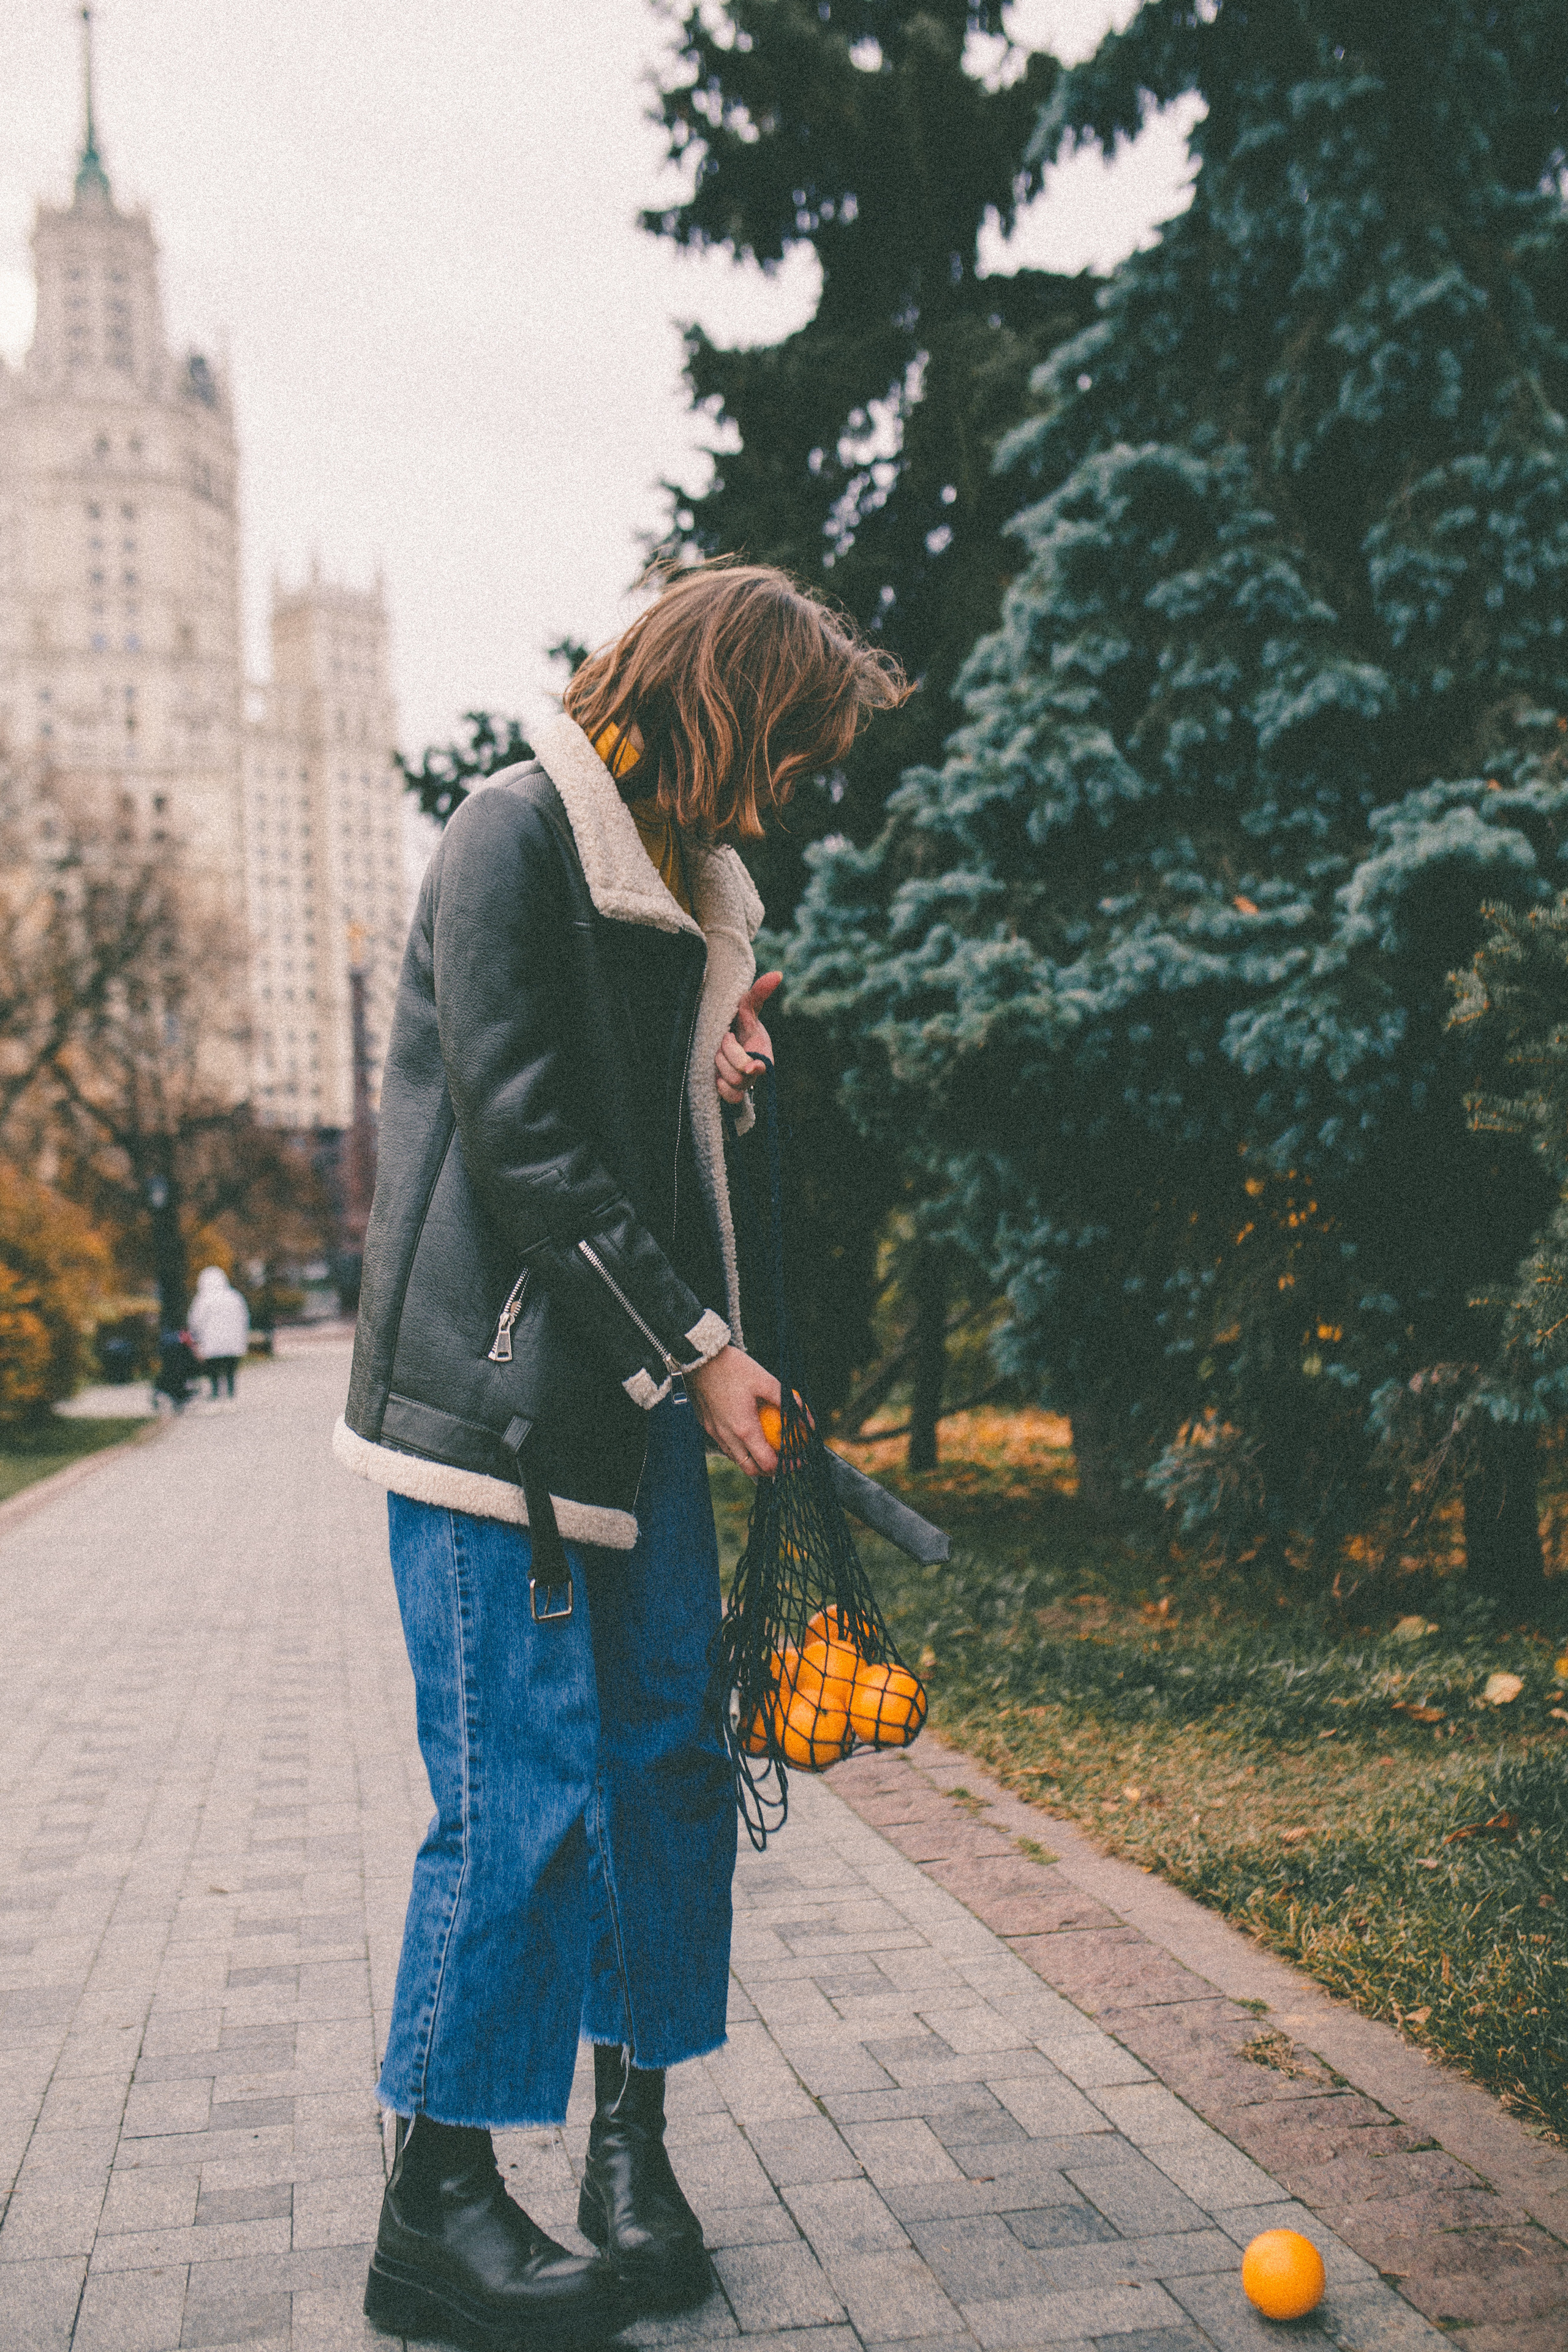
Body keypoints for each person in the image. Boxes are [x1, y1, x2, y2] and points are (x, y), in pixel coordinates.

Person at [335, 560, 906, 2351]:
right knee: (524, 1796)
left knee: (663, 1771)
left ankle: (627, 2150)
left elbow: (626, 1129)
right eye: (791, 751)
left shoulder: (696, 890)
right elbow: (521, 1142)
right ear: (724, 707)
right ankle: (434, 2207)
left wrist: (706, 1069)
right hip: (499, 1413)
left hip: (632, 1407)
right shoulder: (513, 833)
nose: (793, 794)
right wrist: (708, 1347)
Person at [187, 1265, 252, 1403]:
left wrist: (196, 1336)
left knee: (213, 1366)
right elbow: (244, 1317)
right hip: (233, 1340)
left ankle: (216, 1391)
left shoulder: (202, 1299)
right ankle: (231, 1390)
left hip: (211, 1341)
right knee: (230, 1366)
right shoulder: (235, 1297)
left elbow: (195, 1320)